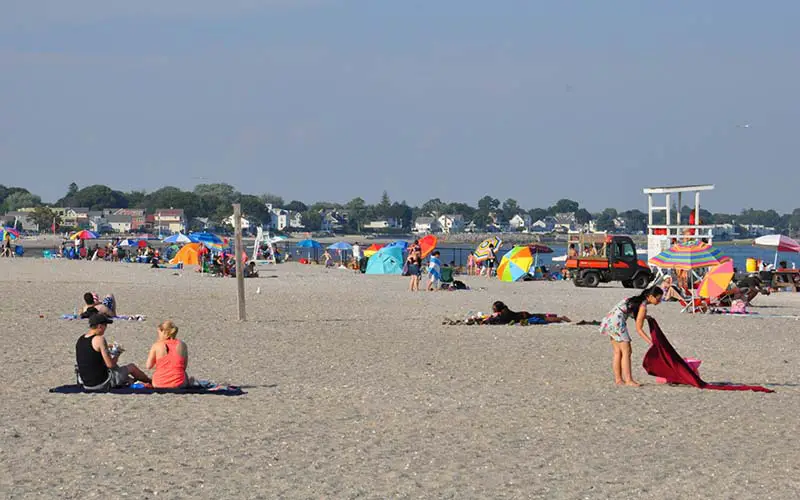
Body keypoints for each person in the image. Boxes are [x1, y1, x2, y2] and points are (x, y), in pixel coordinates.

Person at [599, 287, 663, 387]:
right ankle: (628, 380)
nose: (659, 301)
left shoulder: (636, 300)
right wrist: (651, 342)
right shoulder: (642, 306)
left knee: (618, 352)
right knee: (627, 351)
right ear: (650, 297)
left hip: (609, 320)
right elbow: (639, 329)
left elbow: (630, 311)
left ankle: (618, 379)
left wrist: (645, 316)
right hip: (617, 323)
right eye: (658, 299)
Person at [75, 314, 150, 390]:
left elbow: (91, 355)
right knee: (131, 367)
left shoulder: (81, 339)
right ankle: (151, 382)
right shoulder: (100, 339)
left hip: (86, 383)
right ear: (100, 326)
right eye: (105, 326)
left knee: (125, 376)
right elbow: (110, 365)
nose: (105, 328)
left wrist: (107, 349)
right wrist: (117, 353)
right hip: (101, 383)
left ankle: (131, 381)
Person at [146, 320, 191, 389]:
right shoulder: (182, 345)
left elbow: (148, 366)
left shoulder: (156, 345)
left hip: (158, 383)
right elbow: (184, 367)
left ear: (163, 332)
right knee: (183, 373)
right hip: (179, 384)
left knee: (159, 371)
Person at [482, 301, 571, 325]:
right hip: (522, 314)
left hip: (523, 316)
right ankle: (558, 317)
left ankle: (561, 318)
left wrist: (489, 319)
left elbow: (502, 320)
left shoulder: (505, 313)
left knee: (544, 319)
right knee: (539, 315)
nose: (493, 310)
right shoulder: (504, 311)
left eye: (494, 309)